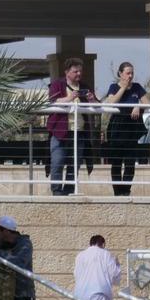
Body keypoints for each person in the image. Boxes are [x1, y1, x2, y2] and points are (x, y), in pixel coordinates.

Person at [48, 58, 96, 196]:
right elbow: (52, 101)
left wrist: (91, 99)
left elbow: (97, 105)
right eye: (75, 71)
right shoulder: (57, 84)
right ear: (67, 72)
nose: (79, 74)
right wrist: (69, 98)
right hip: (60, 133)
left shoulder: (85, 86)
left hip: (79, 132)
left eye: (80, 71)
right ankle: (57, 192)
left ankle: (69, 191)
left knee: (74, 165)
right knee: (57, 162)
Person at [102, 61, 150, 196]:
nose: (130, 76)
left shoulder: (137, 87)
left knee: (130, 162)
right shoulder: (114, 87)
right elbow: (111, 102)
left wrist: (138, 106)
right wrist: (123, 88)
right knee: (116, 162)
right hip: (117, 127)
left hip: (132, 127)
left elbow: (147, 103)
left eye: (132, 73)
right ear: (120, 73)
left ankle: (126, 191)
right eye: (128, 73)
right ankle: (117, 192)